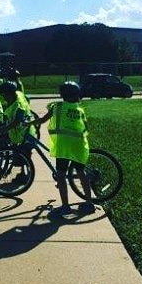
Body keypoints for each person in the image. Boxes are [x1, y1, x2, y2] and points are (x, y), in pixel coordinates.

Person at [36, 81, 95, 215]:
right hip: (78, 146)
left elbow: (43, 120)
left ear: (62, 94)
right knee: (81, 173)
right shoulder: (79, 109)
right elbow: (86, 127)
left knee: (61, 175)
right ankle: (89, 203)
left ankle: (65, 206)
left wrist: (30, 122)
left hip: (64, 147)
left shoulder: (57, 106)